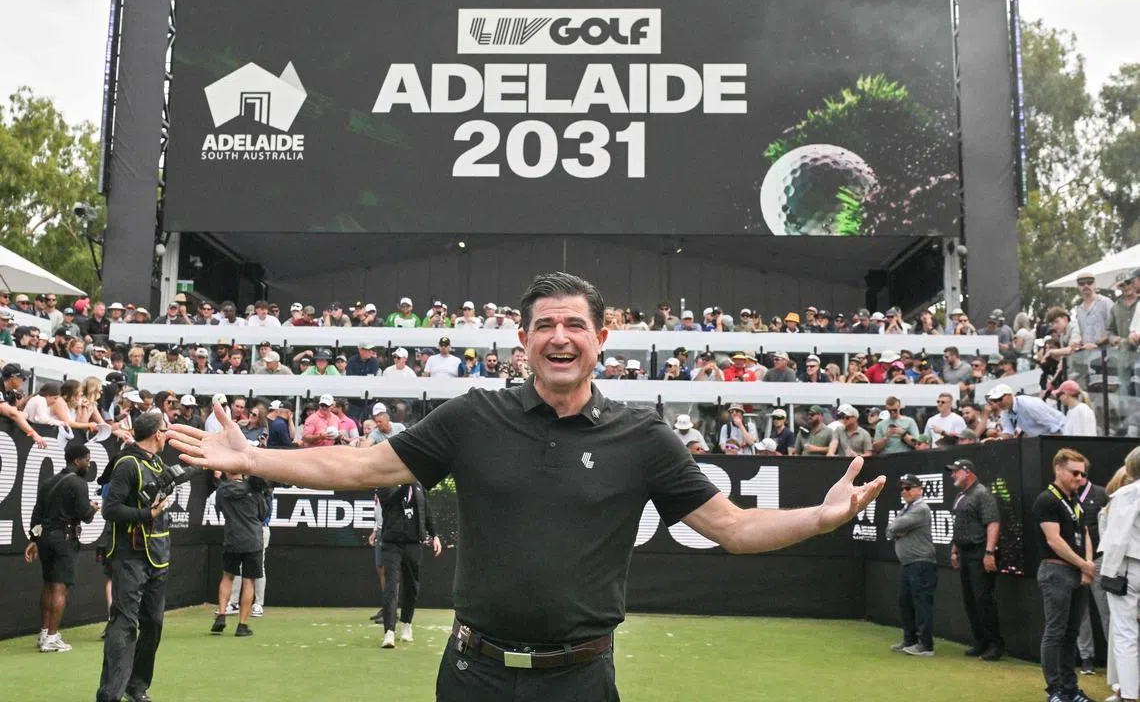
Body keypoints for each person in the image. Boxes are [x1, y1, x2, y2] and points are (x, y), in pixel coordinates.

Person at [168, 272, 884, 701]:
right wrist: (255, 459)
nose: (560, 336)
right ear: (524, 342)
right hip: (473, 675)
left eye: (576, 323)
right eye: (545, 325)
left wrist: (817, 519)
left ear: (602, 338)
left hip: (580, 681)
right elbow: (362, 465)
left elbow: (734, 527)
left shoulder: (644, 438)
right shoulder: (474, 416)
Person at [96, 413, 173, 702]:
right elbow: (110, 509)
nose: (166, 435)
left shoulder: (157, 463)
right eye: (164, 430)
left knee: (153, 623)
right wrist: (148, 513)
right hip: (129, 555)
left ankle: (137, 685)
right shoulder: (127, 464)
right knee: (125, 624)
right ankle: (110, 694)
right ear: (155, 433)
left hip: (158, 554)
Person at [25, 443, 100, 652]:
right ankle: (51, 637)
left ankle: (44, 633)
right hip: (64, 540)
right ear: (77, 461)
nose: (88, 463)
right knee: (59, 588)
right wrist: (93, 508)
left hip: (45, 539)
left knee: (48, 584)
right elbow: (85, 515)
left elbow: (36, 515)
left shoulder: (48, 482)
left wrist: (34, 540)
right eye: (87, 460)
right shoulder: (79, 484)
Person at [1033, 449, 1095, 702]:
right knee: (1055, 632)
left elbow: (1086, 533)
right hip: (1055, 571)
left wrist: (1087, 566)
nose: (1080, 478)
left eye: (1083, 474)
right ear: (1058, 469)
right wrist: (1084, 564)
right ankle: (1055, 691)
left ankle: (1070, 689)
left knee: (1071, 634)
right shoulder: (1047, 500)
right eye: (1075, 472)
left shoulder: (1074, 499)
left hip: (1076, 571)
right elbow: (1054, 540)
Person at [370, 482, 442, 648]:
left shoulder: (418, 486)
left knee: (412, 586)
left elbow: (426, 511)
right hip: (391, 543)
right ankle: (389, 632)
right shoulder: (385, 484)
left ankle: (407, 624)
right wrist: (405, 483)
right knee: (391, 585)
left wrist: (434, 535)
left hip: (413, 543)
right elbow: (392, 502)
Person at [947, 458, 1006, 661]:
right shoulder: (962, 495)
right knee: (971, 600)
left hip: (980, 552)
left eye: (956, 471)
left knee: (983, 600)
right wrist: (955, 550)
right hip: (965, 553)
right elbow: (959, 524)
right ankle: (981, 641)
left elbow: (993, 523)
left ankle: (995, 644)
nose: (952, 475)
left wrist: (989, 552)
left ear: (968, 472)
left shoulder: (982, 493)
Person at [1100, 448, 1140, 702]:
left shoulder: (1125, 494)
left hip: (1129, 567)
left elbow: (1115, 540)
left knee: (1125, 633)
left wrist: (1108, 574)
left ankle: (1128, 695)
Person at [211, 472, 272, 637]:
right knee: (248, 582)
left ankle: (221, 615)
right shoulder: (255, 488)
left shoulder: (222, 491)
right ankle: (242, 625)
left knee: (227, 577)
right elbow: (263, 514)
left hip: (232, 538)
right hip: (253, 540)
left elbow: (220, 508)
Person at [886, 473, 937, 657]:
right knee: (905, 602)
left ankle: (925, 645)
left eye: (908, 488)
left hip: (922, 563)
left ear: (919, 490)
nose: (904, 491)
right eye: (902, 488)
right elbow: (891, 529)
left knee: (922, 604)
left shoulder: (921, 508)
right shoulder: (907, 508)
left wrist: (896, 529)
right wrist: (896, 529)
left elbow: (894, 527)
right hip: (909, 564)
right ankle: (910, 640)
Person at [1075, 466, 1109, 677]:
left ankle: (1115, 657)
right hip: (1075, 561)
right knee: (1081, 612)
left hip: (1099, 559)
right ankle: (1086, 657)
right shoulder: (1066, 496)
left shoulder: (1101, 493)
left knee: (1107, 611)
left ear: (1084, 475)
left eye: (1078, 474)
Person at [987, 383, 1066, 438]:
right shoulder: (1006, 411)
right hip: (1046, 438)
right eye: (995, 400)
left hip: (1064, 431)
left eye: (1000, 399)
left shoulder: (1027, 403)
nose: (998, 403)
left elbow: (1053, 424)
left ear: (1010, 395)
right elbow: (1009, 432)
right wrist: (997, 438)